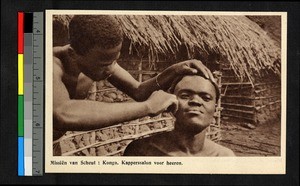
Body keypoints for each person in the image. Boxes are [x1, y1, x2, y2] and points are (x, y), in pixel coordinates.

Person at [52, 15, 214, 154]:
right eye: (104, 64)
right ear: (74, 55)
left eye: (115, 60)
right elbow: (62, 113)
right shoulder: (48, 65)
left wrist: (173, 70)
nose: (111, 69)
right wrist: (148, 107)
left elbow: (138, 91)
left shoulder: (99, 61)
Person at [124, 74, 235, 156]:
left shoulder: (224, 157)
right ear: (171, 104)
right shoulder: (141, 151)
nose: (195, 101)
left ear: (215, 109)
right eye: (185, 96)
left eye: (206, 98)